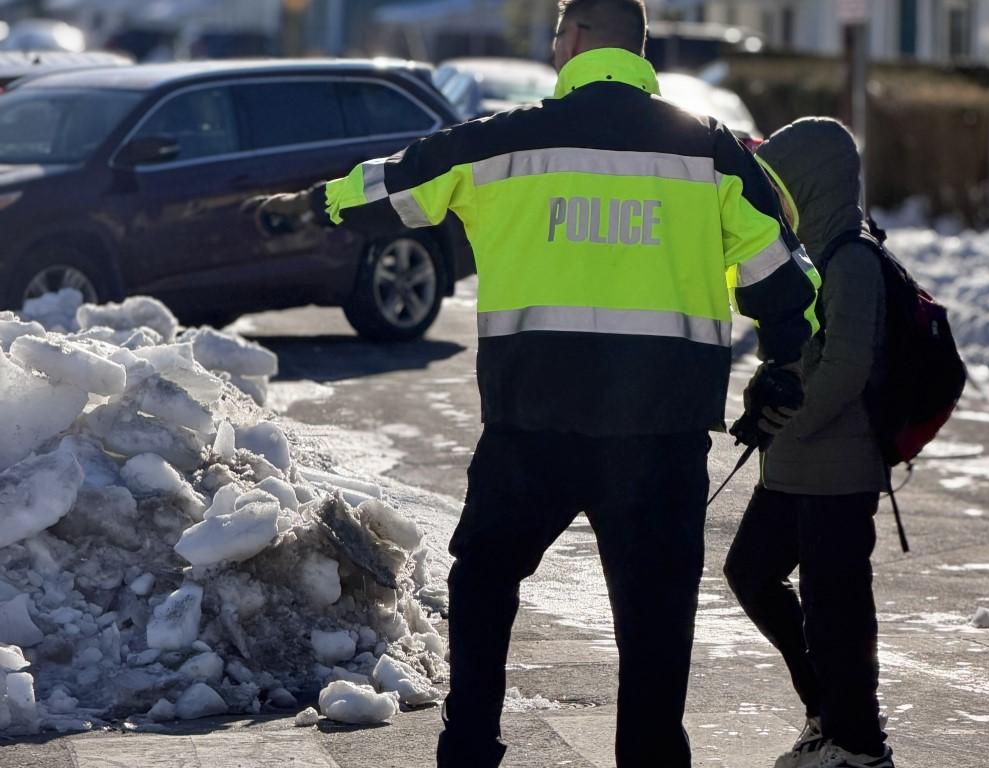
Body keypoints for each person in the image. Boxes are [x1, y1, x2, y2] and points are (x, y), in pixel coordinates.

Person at [258, 1, 821, 765]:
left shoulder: (503, 140)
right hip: (659, 434)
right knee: (655, 616)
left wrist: (309, 205)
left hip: (532, 425)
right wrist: (780, 369)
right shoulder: (712, 153)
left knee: (487, 582)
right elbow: (786, 278)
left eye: (557, 32)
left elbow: (397, 183)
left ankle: (469, 746)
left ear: (577, 37)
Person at [723, 118, 895, 768]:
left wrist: (785, 419)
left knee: (838, 611)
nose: (777, 204)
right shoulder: (812, 257)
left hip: (838, 471)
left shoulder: (853, 260)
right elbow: (804, 359)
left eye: (784, 190)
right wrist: (766, 392)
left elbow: (846, 369)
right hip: (797, 466)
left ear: (815, 187)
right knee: (752, 572)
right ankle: (829, 713)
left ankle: (860, 743)